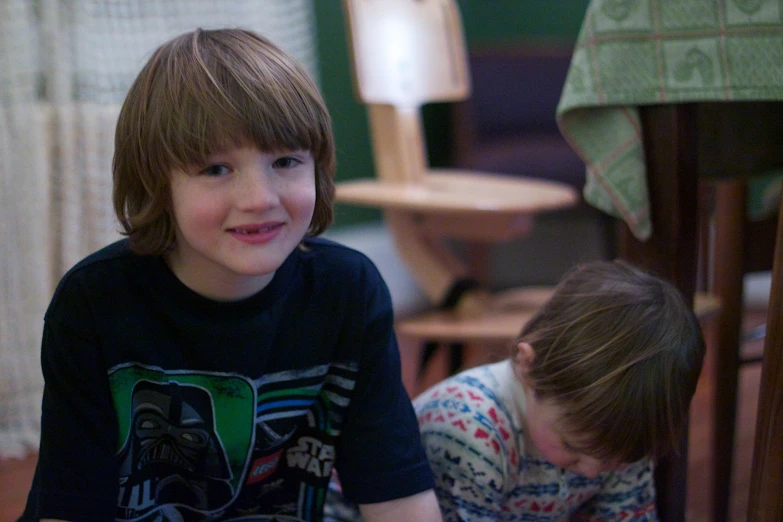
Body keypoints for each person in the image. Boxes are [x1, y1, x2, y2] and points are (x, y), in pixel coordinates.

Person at [20, 28, 441, 522]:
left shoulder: (349, 290)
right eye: (217, 169)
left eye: (285, 161)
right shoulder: (92, 303)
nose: (260, 197)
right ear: (157, 183)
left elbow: (397, 497)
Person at [327, 260, 705, 521]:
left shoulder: (620, 434)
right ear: (528, 366)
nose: (592, 471)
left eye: (612, 462)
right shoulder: (473, 429)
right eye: (572, 450)